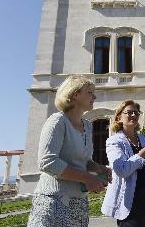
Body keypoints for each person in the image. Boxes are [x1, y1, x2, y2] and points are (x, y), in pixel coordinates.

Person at [27, 75, 111, 227]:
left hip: (79, 202)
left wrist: (97, 168)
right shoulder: (57, 121)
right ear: (75, 94)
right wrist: (87, 178)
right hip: (53, 200)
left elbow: (83, 160)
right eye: (90, 92)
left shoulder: (87, 125)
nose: (95, 96)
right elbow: (47, 162)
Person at [101, 100, 145, 227]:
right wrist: (140, 155)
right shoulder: (114, 141)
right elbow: (121, 170)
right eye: (129, 112)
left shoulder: (143, 139)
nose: (133, 115)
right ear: (119, 117)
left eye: (136, 113)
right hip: (129, 199)